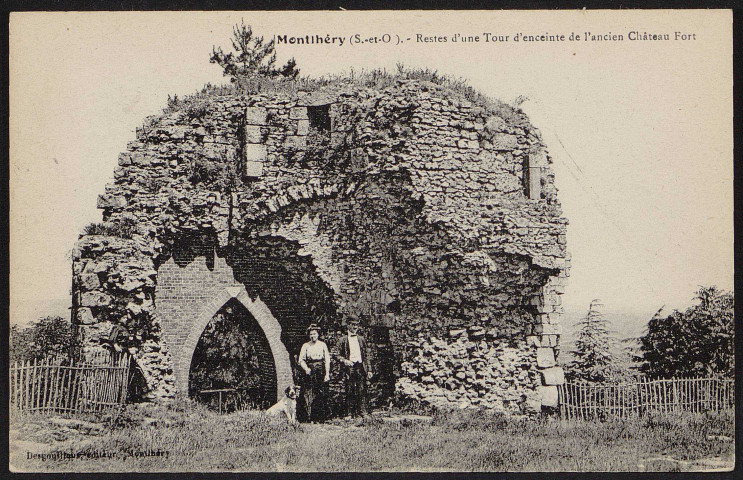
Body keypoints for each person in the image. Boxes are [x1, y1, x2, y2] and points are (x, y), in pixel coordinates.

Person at [337, 314, 373, 418]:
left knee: (362, 389)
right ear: (348, 325)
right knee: (349, 389)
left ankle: (363, 412)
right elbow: (336, 355)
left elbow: (366, 355)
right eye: (353, 325)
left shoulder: (361, 339)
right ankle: (349, 413)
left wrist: (369, 370)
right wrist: (344, 360)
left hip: (360, 367)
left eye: (356, 325)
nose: (355, 327)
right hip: (349, 367)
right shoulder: (343, 340)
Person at [298, 324, 330, 422]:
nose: (313, 336)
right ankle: (309, 417)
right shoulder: (306, 345)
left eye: (315, 334)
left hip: (320, 370)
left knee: (321, 393)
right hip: (310, 370)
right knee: (309, 393)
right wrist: (306, 369)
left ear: (318, 334)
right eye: (311, 334)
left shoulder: (322, 345)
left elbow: (327, 360)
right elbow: (301, 360)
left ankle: (321, 418)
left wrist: (327, 374)